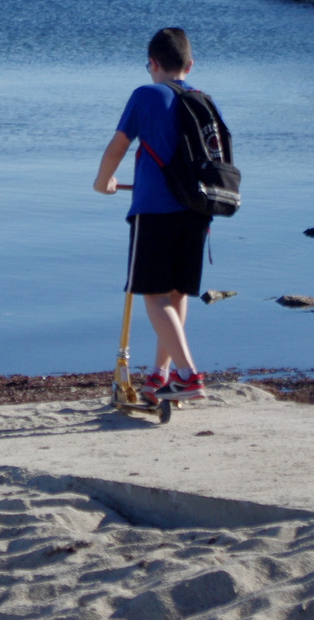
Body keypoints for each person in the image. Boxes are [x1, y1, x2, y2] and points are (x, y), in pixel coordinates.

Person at [92, 27, 211, 402]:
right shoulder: (205, 99)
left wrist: (103, 181)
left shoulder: (146, 95)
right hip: (197, 211)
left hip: (154, 210)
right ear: (189, 65)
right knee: (177, 293)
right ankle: (163, 375)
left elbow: (118, 147)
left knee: (153, 294)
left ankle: (189, 375)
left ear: (154, 64)